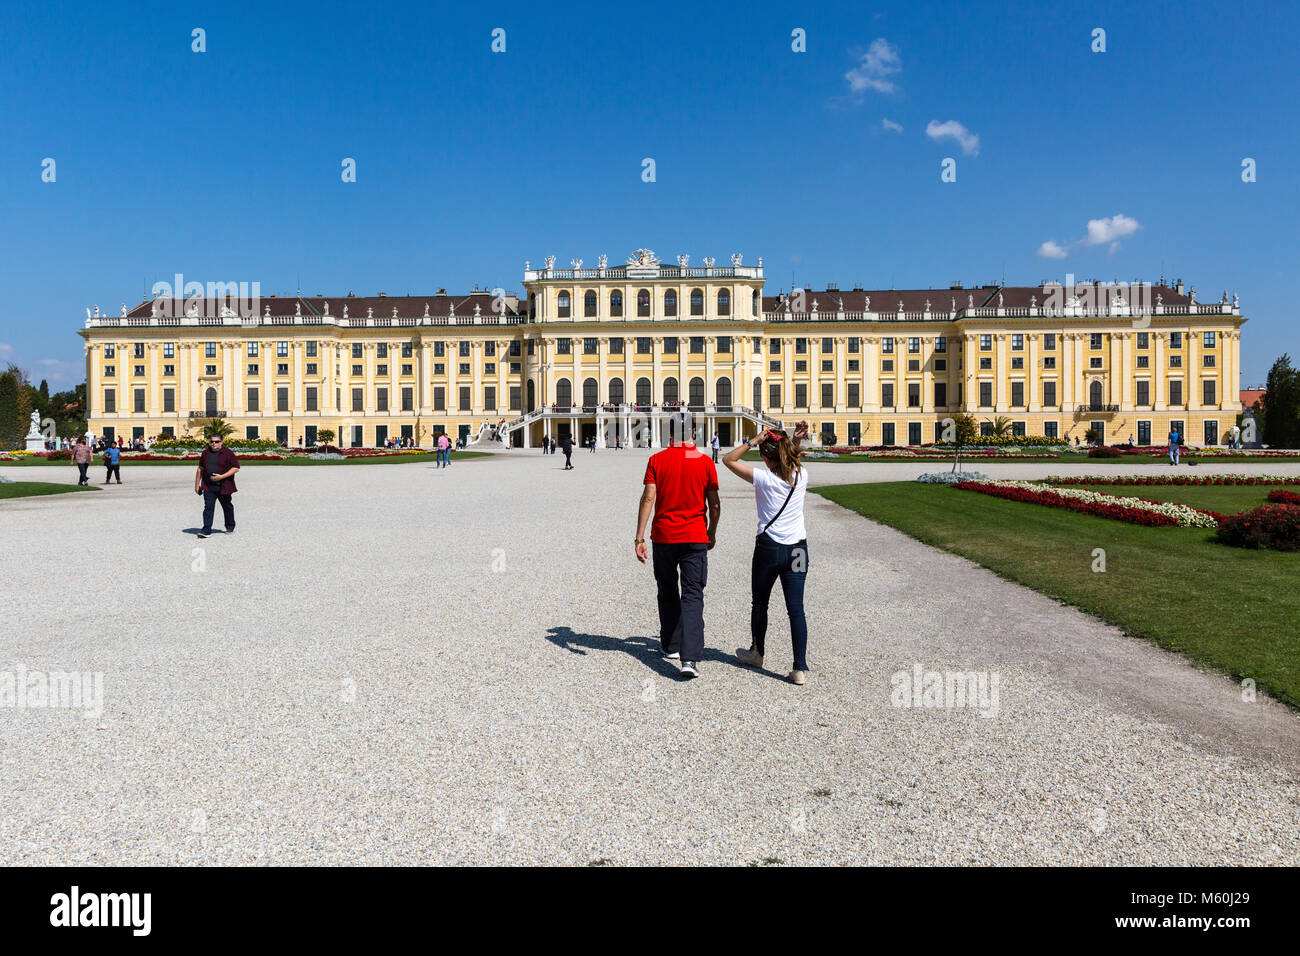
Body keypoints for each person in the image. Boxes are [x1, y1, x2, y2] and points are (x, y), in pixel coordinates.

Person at [723, 421, 812, 685]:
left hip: (770, 549)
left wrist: (753, 441)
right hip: (798, 550)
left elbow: (728, 459)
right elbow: (791, 459)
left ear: (765, 457)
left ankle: (757, 653)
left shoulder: (763, 478)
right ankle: (799, 668)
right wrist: (793, 441)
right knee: (796, 610)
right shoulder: (802, 475)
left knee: (760, 602)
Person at [635, 432, 721, 679]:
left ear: (670, 434)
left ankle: (672, 646)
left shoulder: (657, 459)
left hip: (663, 536)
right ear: (693, 434)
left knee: (667, 588)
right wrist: (711, 533)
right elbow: (714, 504)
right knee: (693, 594)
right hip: (695, 536)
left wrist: (639, 537)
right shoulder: (704, 461)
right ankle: (690, 658)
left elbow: (648, 497)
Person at [194, 435, 240, 539]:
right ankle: (206, 530)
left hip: (224, 486)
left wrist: (221, 477)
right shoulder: (205, 453)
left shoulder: (228, 453)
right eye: (212, 442)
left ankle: (230, 526)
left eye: (217, 441)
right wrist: (197, 485)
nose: (214, 444)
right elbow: (200, 469)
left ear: (221, 442)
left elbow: (236, 467)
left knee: (227, 506)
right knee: (208, 508)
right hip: (208, 486)